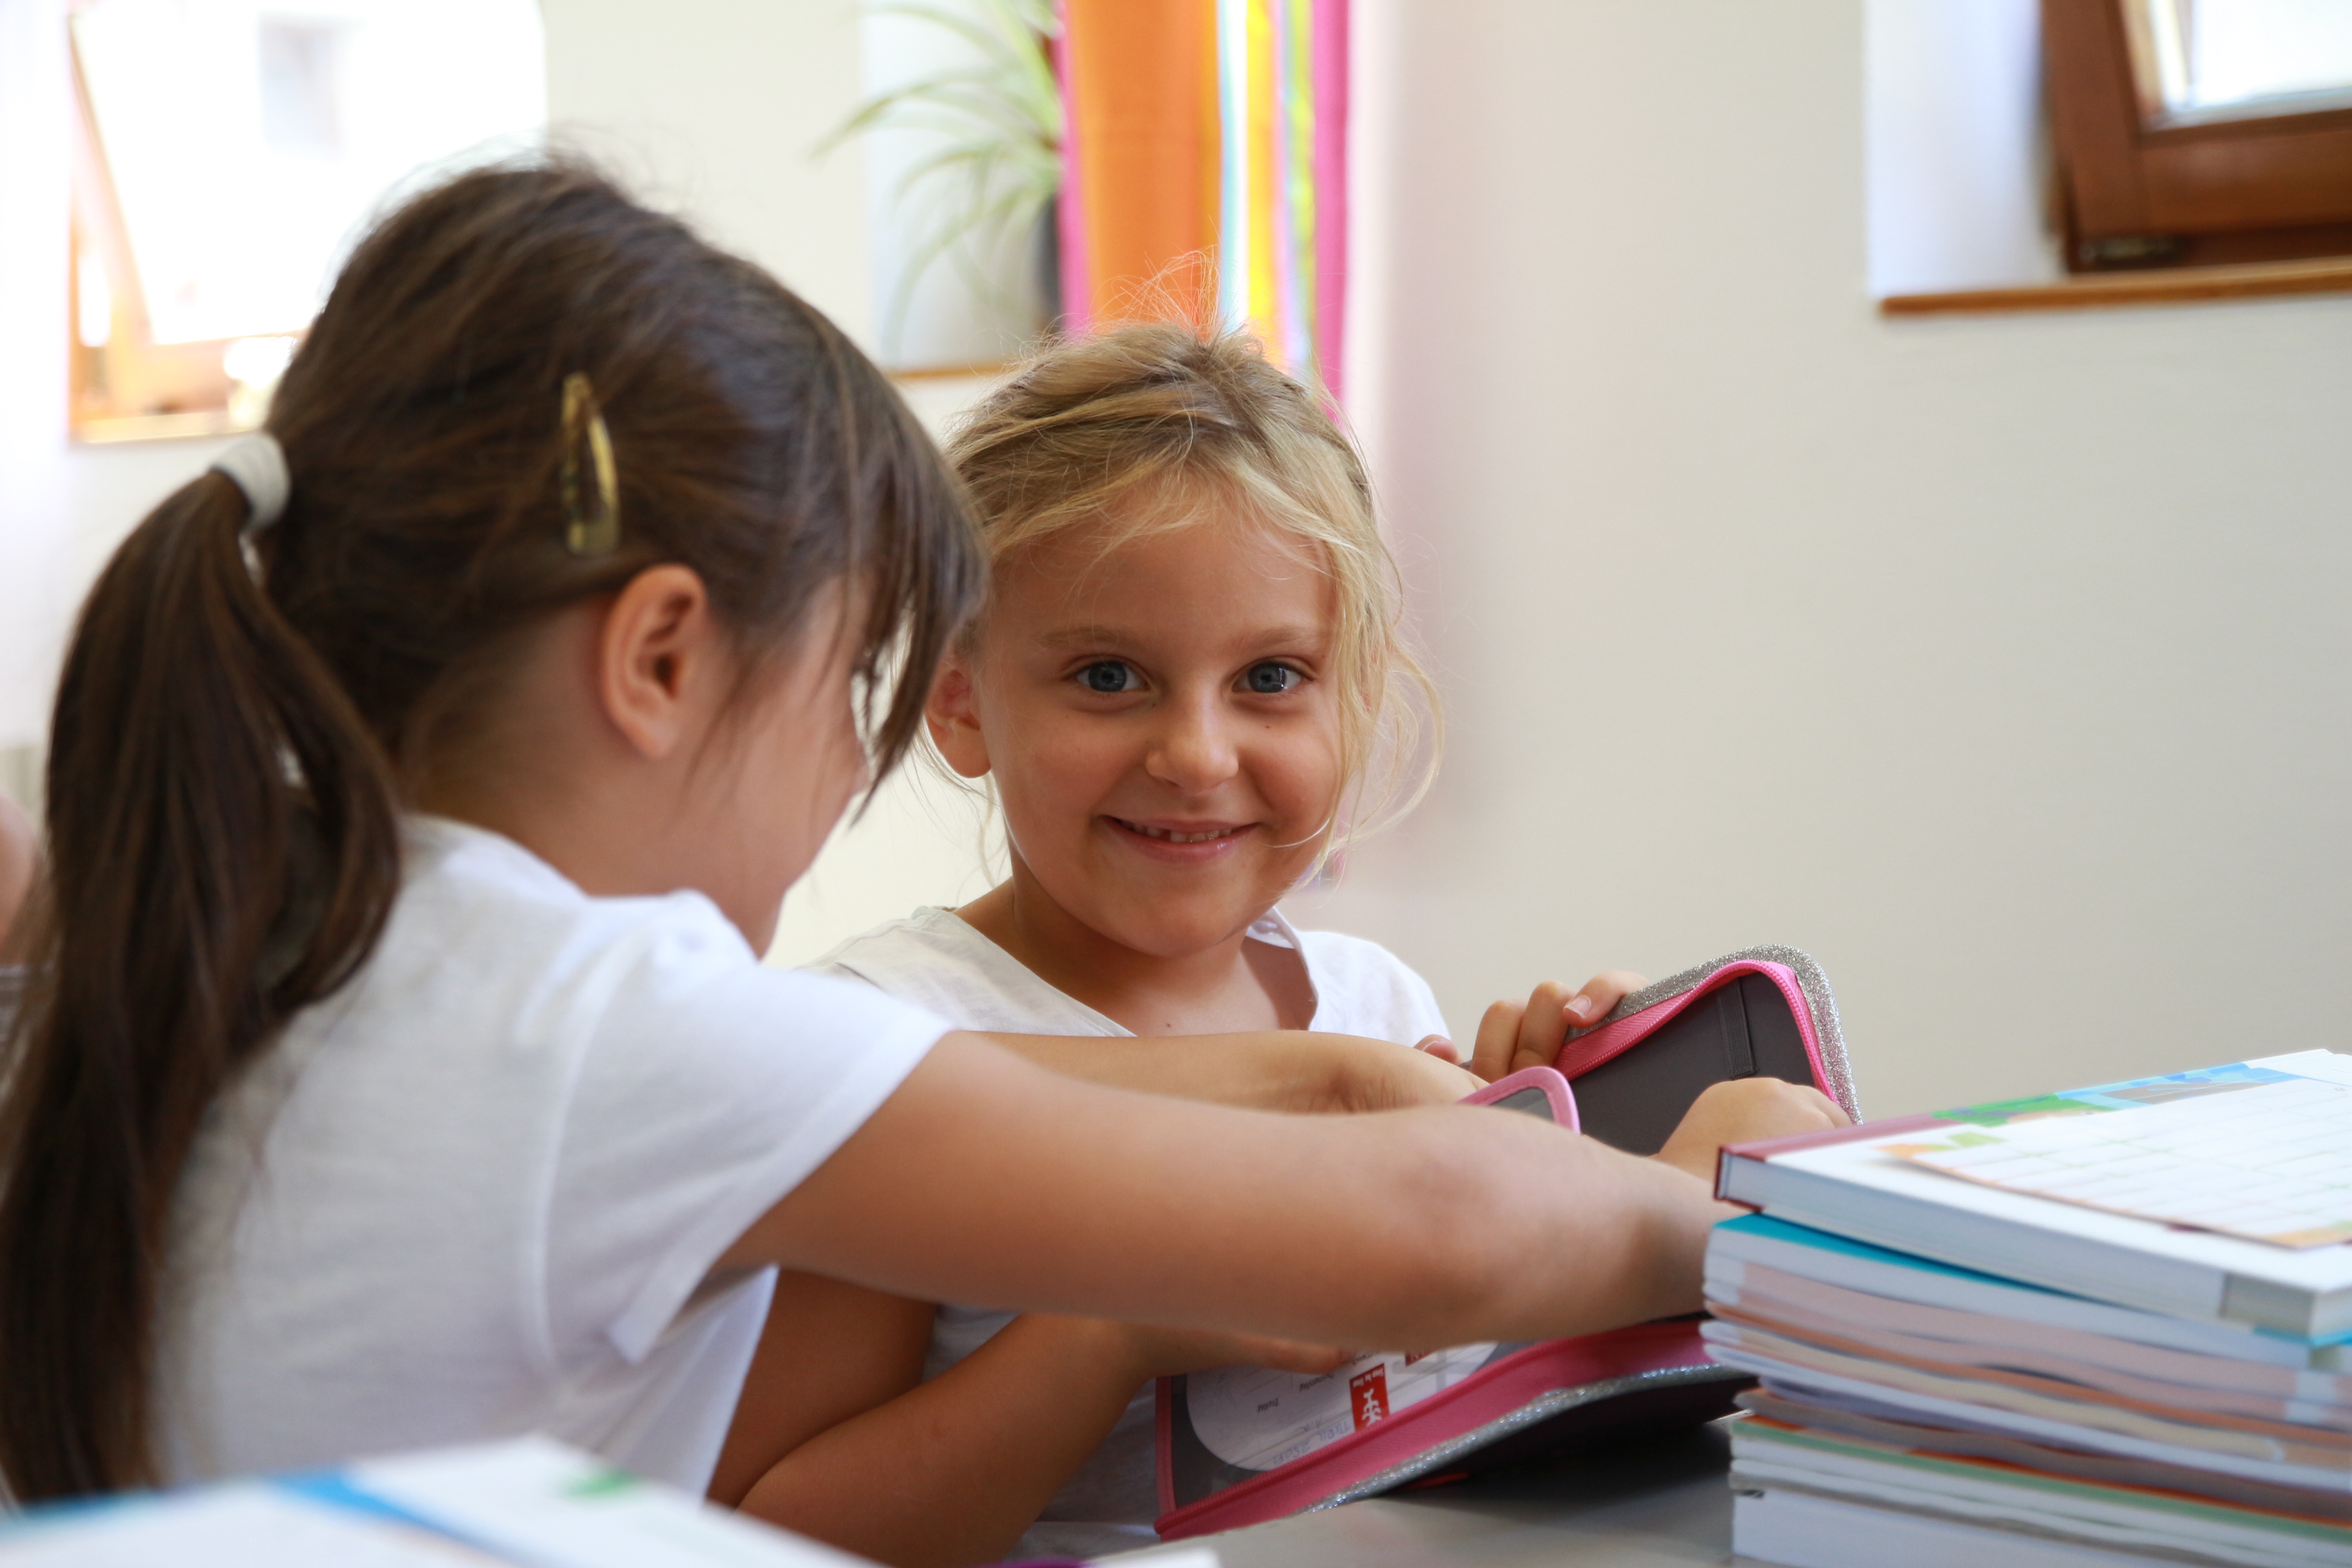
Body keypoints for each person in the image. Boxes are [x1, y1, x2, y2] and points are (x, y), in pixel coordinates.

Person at [0, 161, 1842, 1514]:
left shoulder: (292, 929)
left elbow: (1016, 1090)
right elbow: (1434, 1233)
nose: (847, 772)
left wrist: (1337, 1072)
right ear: (661, 660)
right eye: (853, 687)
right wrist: (1734, 1201)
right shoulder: (593, 1020)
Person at [713, 326, 1752, 1563]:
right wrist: (1110, 1330)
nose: (1197, 757)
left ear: (1353, 698)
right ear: (960, 697)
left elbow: (1444, 1428)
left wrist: (1573, 1128)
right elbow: (768, 1537)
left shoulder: (1376, 1007)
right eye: (1109, 676)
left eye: (1269, 677)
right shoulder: (870, 1049)